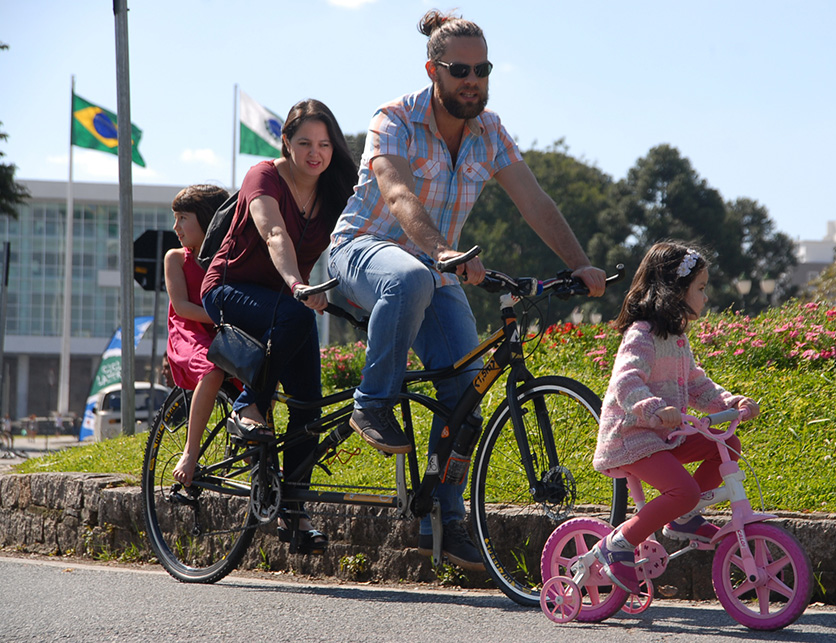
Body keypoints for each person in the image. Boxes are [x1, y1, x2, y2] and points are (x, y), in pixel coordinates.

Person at [328, 9, 606, 571]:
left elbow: (535, 202)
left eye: (483, 69)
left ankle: (443, 518)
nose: (473, 80)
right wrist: (443, 254)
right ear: (433, 69)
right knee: (406, 276)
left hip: (438, 267)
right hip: (364, 249)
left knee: (468, 395)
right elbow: (400, 196)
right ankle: (371, 403)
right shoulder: (395, 119)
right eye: (460, 70)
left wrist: (580, 265)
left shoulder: (491, 131)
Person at [201, 99, 357, 554]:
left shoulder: (335, 191)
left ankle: (294, 510)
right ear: (286, 142)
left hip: (291, 300)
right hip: (232, 287)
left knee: (309, 403)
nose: (315, 153)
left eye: (325, 144)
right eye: (305, 142)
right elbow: (274, 233)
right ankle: (248, 405)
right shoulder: (263, 176)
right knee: (294, 312)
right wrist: (296, 283)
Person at [591, 240, 759, 591]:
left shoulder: (677, 338)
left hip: (664, 436)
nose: (706, 296)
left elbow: (697, 385)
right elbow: (627, 381)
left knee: (726, 443)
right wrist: (653, 408)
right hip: (631, 435)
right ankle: (617, 544)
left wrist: (731, 401)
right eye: (700, 287)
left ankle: (682, 516)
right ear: (676, 291)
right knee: (682, 490)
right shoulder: (642, 334)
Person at [163, 184, 230, 487]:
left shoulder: (229, 258)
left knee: (263, 370)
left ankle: (257, 452)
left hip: (223, 330)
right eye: (175, 218)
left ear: (208, 219)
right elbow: (183, 307)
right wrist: (224, 318)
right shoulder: (176, 258)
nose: (175, 227)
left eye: (182, 218)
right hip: (189, 331)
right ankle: (191, 451)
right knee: (212, 369)